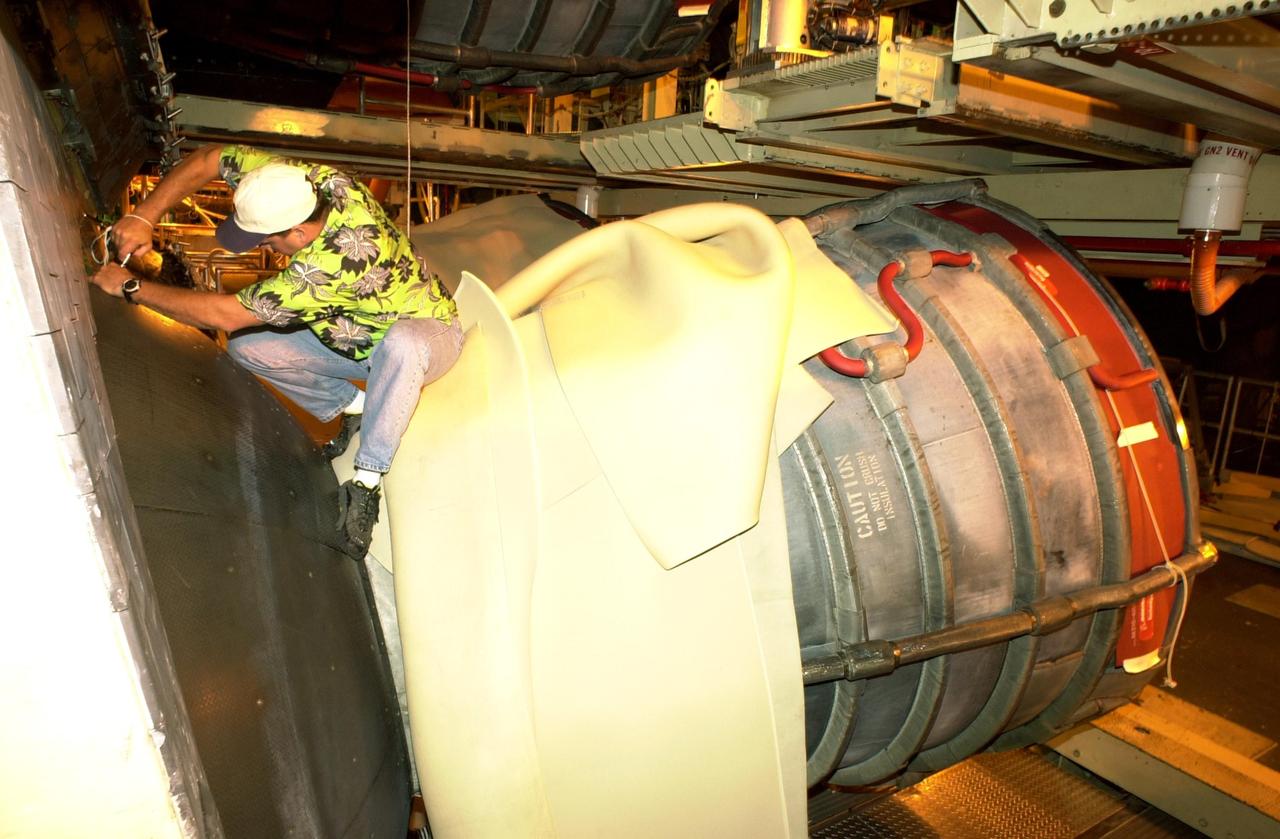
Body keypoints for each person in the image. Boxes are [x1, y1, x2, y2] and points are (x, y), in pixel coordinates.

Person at [91, 144, 462, 559]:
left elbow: (224, 315)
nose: (264, 249)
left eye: (267, 240)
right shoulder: (308, 181)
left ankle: (368, 481)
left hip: (430, 335)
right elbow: (209, 160)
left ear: (299, 233)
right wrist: (144, 216)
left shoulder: (328, 266)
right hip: (353, 334)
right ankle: (358, 407)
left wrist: (131, 287)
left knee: (402, 343)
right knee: (251, 348)